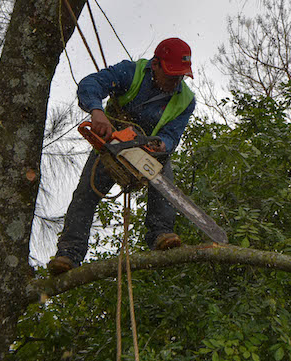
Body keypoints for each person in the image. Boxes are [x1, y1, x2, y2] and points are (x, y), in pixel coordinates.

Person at [47, 38, 196, 275]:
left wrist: (161, 145)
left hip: (147, 149)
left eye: (180, 76)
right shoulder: (131, 72)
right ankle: (69, 253)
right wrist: (97, 111)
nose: (175, 81)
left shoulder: (186, 100)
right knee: (86, 193)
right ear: (155, 65)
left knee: (164, 182)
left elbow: (172, 134)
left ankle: (161, 233)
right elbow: (91, 83)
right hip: (113, 144)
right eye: (171, 75)